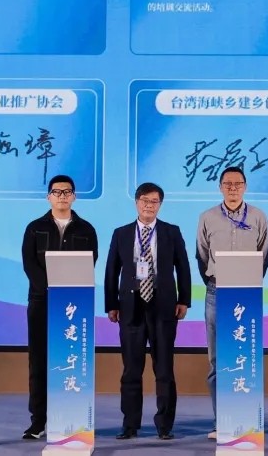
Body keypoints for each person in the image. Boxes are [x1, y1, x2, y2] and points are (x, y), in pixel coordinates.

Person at [104, 182, 191, 440]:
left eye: (154, 201)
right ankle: (130, 424)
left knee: (164, 370)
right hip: (130, 308)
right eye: (144, 200)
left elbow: (183, 267)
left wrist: (184, 300)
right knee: (131, 370)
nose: (149, 205)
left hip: (163, 308)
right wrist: (111, 304)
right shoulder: (121, 233)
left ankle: (164, 425)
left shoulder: (171, 232)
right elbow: (111, 271)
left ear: (160, 205)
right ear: (136, 202)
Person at [20, 174, 99, 440]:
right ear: (49, 197)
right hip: (41, 302)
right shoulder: (35, 228)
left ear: (74, 196)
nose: (62, 196)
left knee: (71, 361)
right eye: (57, 192)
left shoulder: (86, 229)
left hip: (74, 305)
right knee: (39, 361)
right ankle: (38, 421)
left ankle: (72, 418)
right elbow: (29, 264)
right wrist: (50, 289)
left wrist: (67, 292)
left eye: (67, 192)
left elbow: (90, 262)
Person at [195, 166, 268, 439]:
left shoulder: (259, 216)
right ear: (220, 187)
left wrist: (247, 282)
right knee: (217, 360)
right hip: (217, 292)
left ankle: (248, 420)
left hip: (247, 294)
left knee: (246, 357)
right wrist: (217, 281)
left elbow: (264, 255)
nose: (233, 188)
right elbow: (202, 256)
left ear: (245, 187)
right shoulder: (207, 217)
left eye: (238, 184)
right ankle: (222, 421)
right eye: (228, 184)